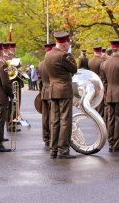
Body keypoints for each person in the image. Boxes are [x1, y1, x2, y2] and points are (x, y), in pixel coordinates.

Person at [45, 31, 77, 159]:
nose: (69, 45)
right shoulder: (63, 55)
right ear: (64, 44)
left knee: (54, 121)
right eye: (68, 43)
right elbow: (74, 69)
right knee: (65, 121)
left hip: (53, 89)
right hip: (64, 90)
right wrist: (69, 54)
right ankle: (63, 150)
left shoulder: (48, 54)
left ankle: (53, 150)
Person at [38, 43, 55, 149]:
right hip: (52, 91)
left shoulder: (41, 64)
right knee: (53, 116)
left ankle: (46, 137)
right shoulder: (53, 63)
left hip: (44, 91)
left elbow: (40, 80)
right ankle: (52, 137)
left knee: (45, 116)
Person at [89, 46, 106, 118]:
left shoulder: (90, 60)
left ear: (94, 51)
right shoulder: (103, 61)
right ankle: (99, 115)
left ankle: (94, 113)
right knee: (100, 100)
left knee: (94, 98)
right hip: (101, 81)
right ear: (101, 51)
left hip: (93, 82)